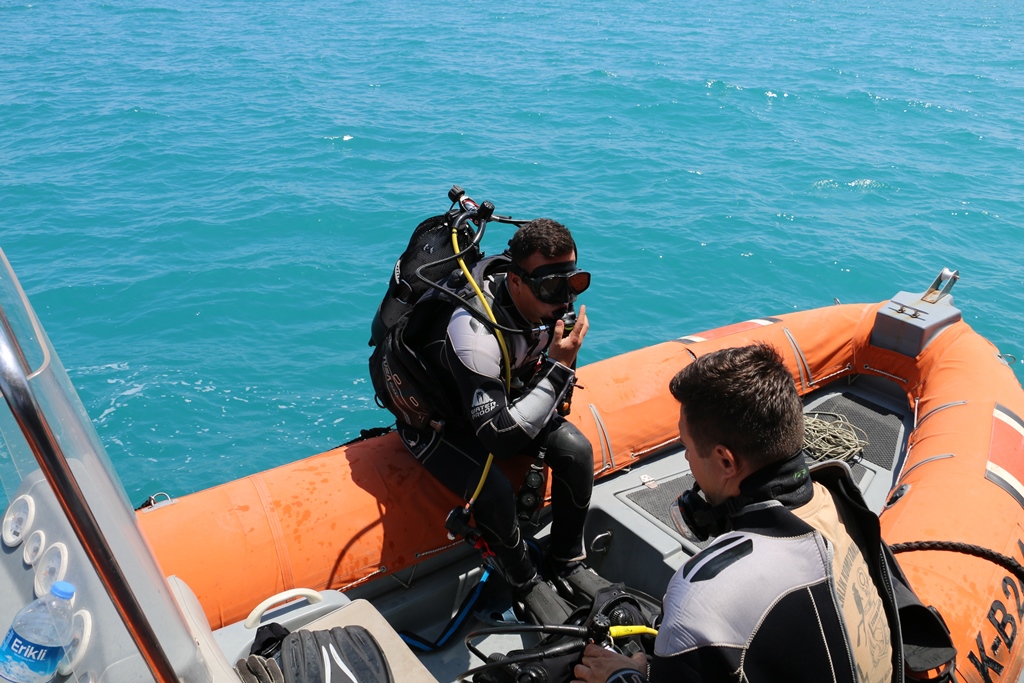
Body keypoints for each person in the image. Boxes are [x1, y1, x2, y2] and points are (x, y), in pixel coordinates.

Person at [574, 343, 954, 683]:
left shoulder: (704, 593)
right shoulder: (838, 498)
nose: (687, 460)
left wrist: (624, 674)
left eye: (687, 447)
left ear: (725, 461)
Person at [396, 218, 595, 593]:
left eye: (574, 283)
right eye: (552, 287)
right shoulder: (475, 331)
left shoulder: (548, 308)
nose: (565, 299)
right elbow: (499, 441)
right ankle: (523, 579)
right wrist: (557, 369)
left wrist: (553, 371)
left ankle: (566, 560)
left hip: (496, 398)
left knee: (576, 451)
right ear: (516, 282)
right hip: (443, 421)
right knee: (495, 492)